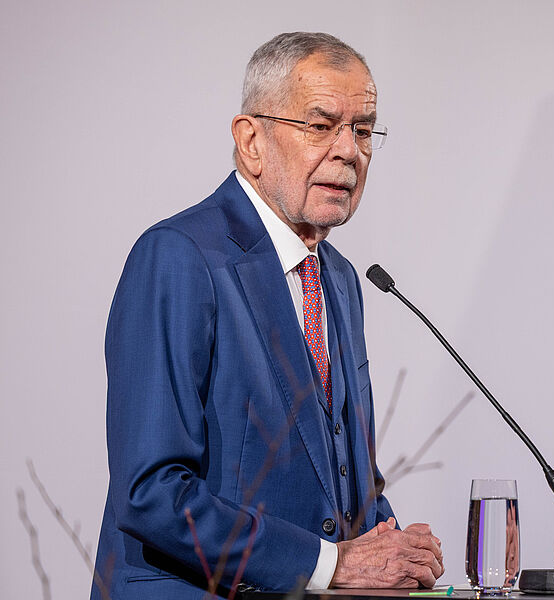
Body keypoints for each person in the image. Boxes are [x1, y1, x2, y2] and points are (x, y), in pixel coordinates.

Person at [90, 32, 444, 599]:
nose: (349, 151)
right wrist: (331, 565)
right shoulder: (179, 257)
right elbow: (152, 493)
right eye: (321, 126)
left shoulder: (342, 280)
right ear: (251, 141)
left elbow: (339, 478)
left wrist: (395, 549)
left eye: (362, 130)